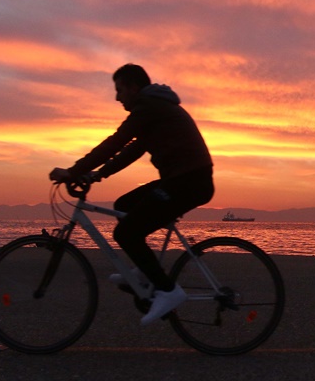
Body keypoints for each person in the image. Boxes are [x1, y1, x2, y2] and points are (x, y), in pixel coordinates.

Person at [49, 63, 214, 324]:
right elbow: (132, 150)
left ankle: (168, 291)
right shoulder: (154, 109)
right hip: (181, 180)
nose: (117, 97)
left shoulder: (149, 106)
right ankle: (145, 272)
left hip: (189, 183)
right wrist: (96, 174)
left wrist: (73, 171)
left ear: (134, 88)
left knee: (126, 233)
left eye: (119, 90)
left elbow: (117, 140)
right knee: (124, 204)